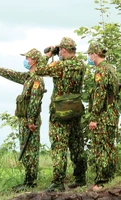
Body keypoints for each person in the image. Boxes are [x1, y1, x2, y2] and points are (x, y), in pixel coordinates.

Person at [0, 48, 46, 192]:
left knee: (31, 152)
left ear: (34, 60)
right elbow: (12, 74)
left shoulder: (37, 79)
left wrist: (31, 121)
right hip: (25, 121)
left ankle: (31, 182)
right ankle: (27, 180)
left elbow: (35, 101)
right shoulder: (28, 77)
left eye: (28, 58)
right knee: (26, 151)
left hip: (30, 122)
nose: (26, 61)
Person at [35, 37, 87, 192]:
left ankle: (58, 181)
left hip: (60, 111)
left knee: (59, 146)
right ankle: (80, 177)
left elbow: (38, 70)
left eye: (60, 50)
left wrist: (48, 55)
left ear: (63, 50)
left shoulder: (59, 66)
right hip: (75, 110)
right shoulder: (81, 64)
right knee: (77, 144)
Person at [86, 42, 119, 190]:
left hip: (103, 116)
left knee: (101, 148)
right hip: (112, 114)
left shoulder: (100, 71)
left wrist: (94, 117)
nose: (88, 57)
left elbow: (99, 95)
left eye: (89, 54)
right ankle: (110, 177)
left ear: (94, 54)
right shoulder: (111, 68)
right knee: (109, 147)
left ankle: (101, 181)